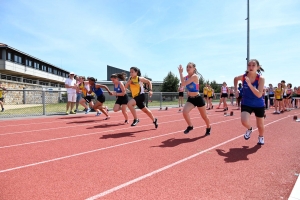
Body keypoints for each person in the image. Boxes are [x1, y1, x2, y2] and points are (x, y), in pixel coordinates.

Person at [234, 59, 265, 145]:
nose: (251, 67)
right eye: (249, 65)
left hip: (258, 104)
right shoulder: (244, 76)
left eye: (253, 65)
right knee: (244, 121)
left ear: (257, 67)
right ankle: (250, 129)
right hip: (246, 102)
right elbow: (236, 78)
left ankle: (261, 136)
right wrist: (236, 89)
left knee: (260, 126)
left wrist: (250, 84)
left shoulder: (260, 79)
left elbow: (259, 94)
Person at [178, 62, 211, 135]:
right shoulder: (186, 77)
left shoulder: (195, 76)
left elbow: (183, 84)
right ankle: (190, 126)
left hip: (198, 98)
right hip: (191, 99)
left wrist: (180, 73)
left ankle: (208, 127)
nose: (188, 68)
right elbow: (182, 83)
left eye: (190, 67)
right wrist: (181, 74)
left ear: (194, 69)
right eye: (187, 67)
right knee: (185, 112)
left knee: (204, 116)